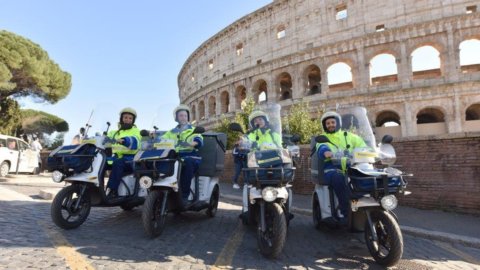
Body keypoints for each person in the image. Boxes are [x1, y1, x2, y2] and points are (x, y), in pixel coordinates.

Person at [316, 111, 366, 226]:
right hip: (332, 168)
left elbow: (362, 145)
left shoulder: (349, 136)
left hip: (351, 167)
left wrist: (369, 151)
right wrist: (326, 152)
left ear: (338, 123)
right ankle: (346, 213)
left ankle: (365, 205)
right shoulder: (322, 138)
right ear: (325, 125)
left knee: (366, 176)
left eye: (333, 122)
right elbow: (321, 148)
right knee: (339, 178)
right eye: (327, 123)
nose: (330, 125)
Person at [162, 104, 203, 202]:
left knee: (187, 163)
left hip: (191, 156)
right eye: (181, 115)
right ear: (176, 117)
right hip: (176, 156)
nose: (183, 117)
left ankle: (184, 195)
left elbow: (198, 140)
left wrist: (189, 144)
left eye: (185, 115)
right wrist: (154, 140)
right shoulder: (171, 132)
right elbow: (162, 140)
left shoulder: (193, 130)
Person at [106, 108, 141, 198]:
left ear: (133, 120)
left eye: (130, 118)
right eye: (125, 117)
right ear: (121, 118)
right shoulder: (114, 132)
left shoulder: (135, 130)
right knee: (101, 163)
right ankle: (97, 188)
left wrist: (125, 140)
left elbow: (136, 140)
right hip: (115, 157)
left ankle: (112, 190)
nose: (127, 120)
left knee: (118, 163)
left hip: (131, 158)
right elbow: (105, 140)